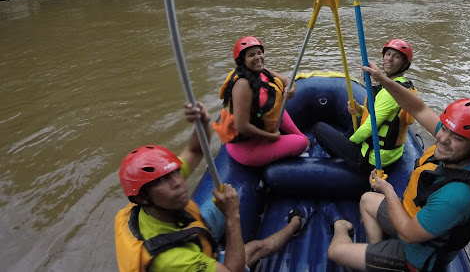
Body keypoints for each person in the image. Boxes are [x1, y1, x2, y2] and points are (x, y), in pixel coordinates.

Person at [325, 62, 470, 272]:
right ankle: (375, 252)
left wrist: (386, 189)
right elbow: (418, 107)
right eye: (444, 128)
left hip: (416, 257)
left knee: (335, 252)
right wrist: (384, 80)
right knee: (366, 199)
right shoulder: (468, 148)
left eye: (457, 138)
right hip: (414, 218)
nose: (442, 139)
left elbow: (407, 233)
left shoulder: (456, 196)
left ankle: (341, 227)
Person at [114, 101, 311, 272]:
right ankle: (296, 223)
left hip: (181, 228)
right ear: (141, 198)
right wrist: (232, 216)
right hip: (180, 252)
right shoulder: (172, 260)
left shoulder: (150, 199)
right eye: (163, 181)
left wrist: (202, 122)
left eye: (174, 173)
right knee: (253, 249)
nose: (178, 183)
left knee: (221, 200)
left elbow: (195, 149)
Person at [312, 39, 417, 173]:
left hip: (372, 159)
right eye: (388, 54)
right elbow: (385, 117)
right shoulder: (403, 86)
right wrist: (360, 110)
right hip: (390, 153)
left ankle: (339, 158)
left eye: (397, 57)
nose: (389, 59)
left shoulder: (390, 94)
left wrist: (346, 144)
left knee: (318, 127)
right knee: (356, 119)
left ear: (404, 64)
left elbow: (369, 128)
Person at [212, 36, 309, 167]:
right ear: (242, 60)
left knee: (300, 135)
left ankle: (299, 139)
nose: (258, 57)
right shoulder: (242, 84)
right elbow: (242, 126)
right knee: (301, 143)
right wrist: (271, 137)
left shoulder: (262, 71)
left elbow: (287, 80)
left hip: (261, 124)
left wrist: (291, 90)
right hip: (247, 147)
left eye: (259, 53)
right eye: (251, 55)